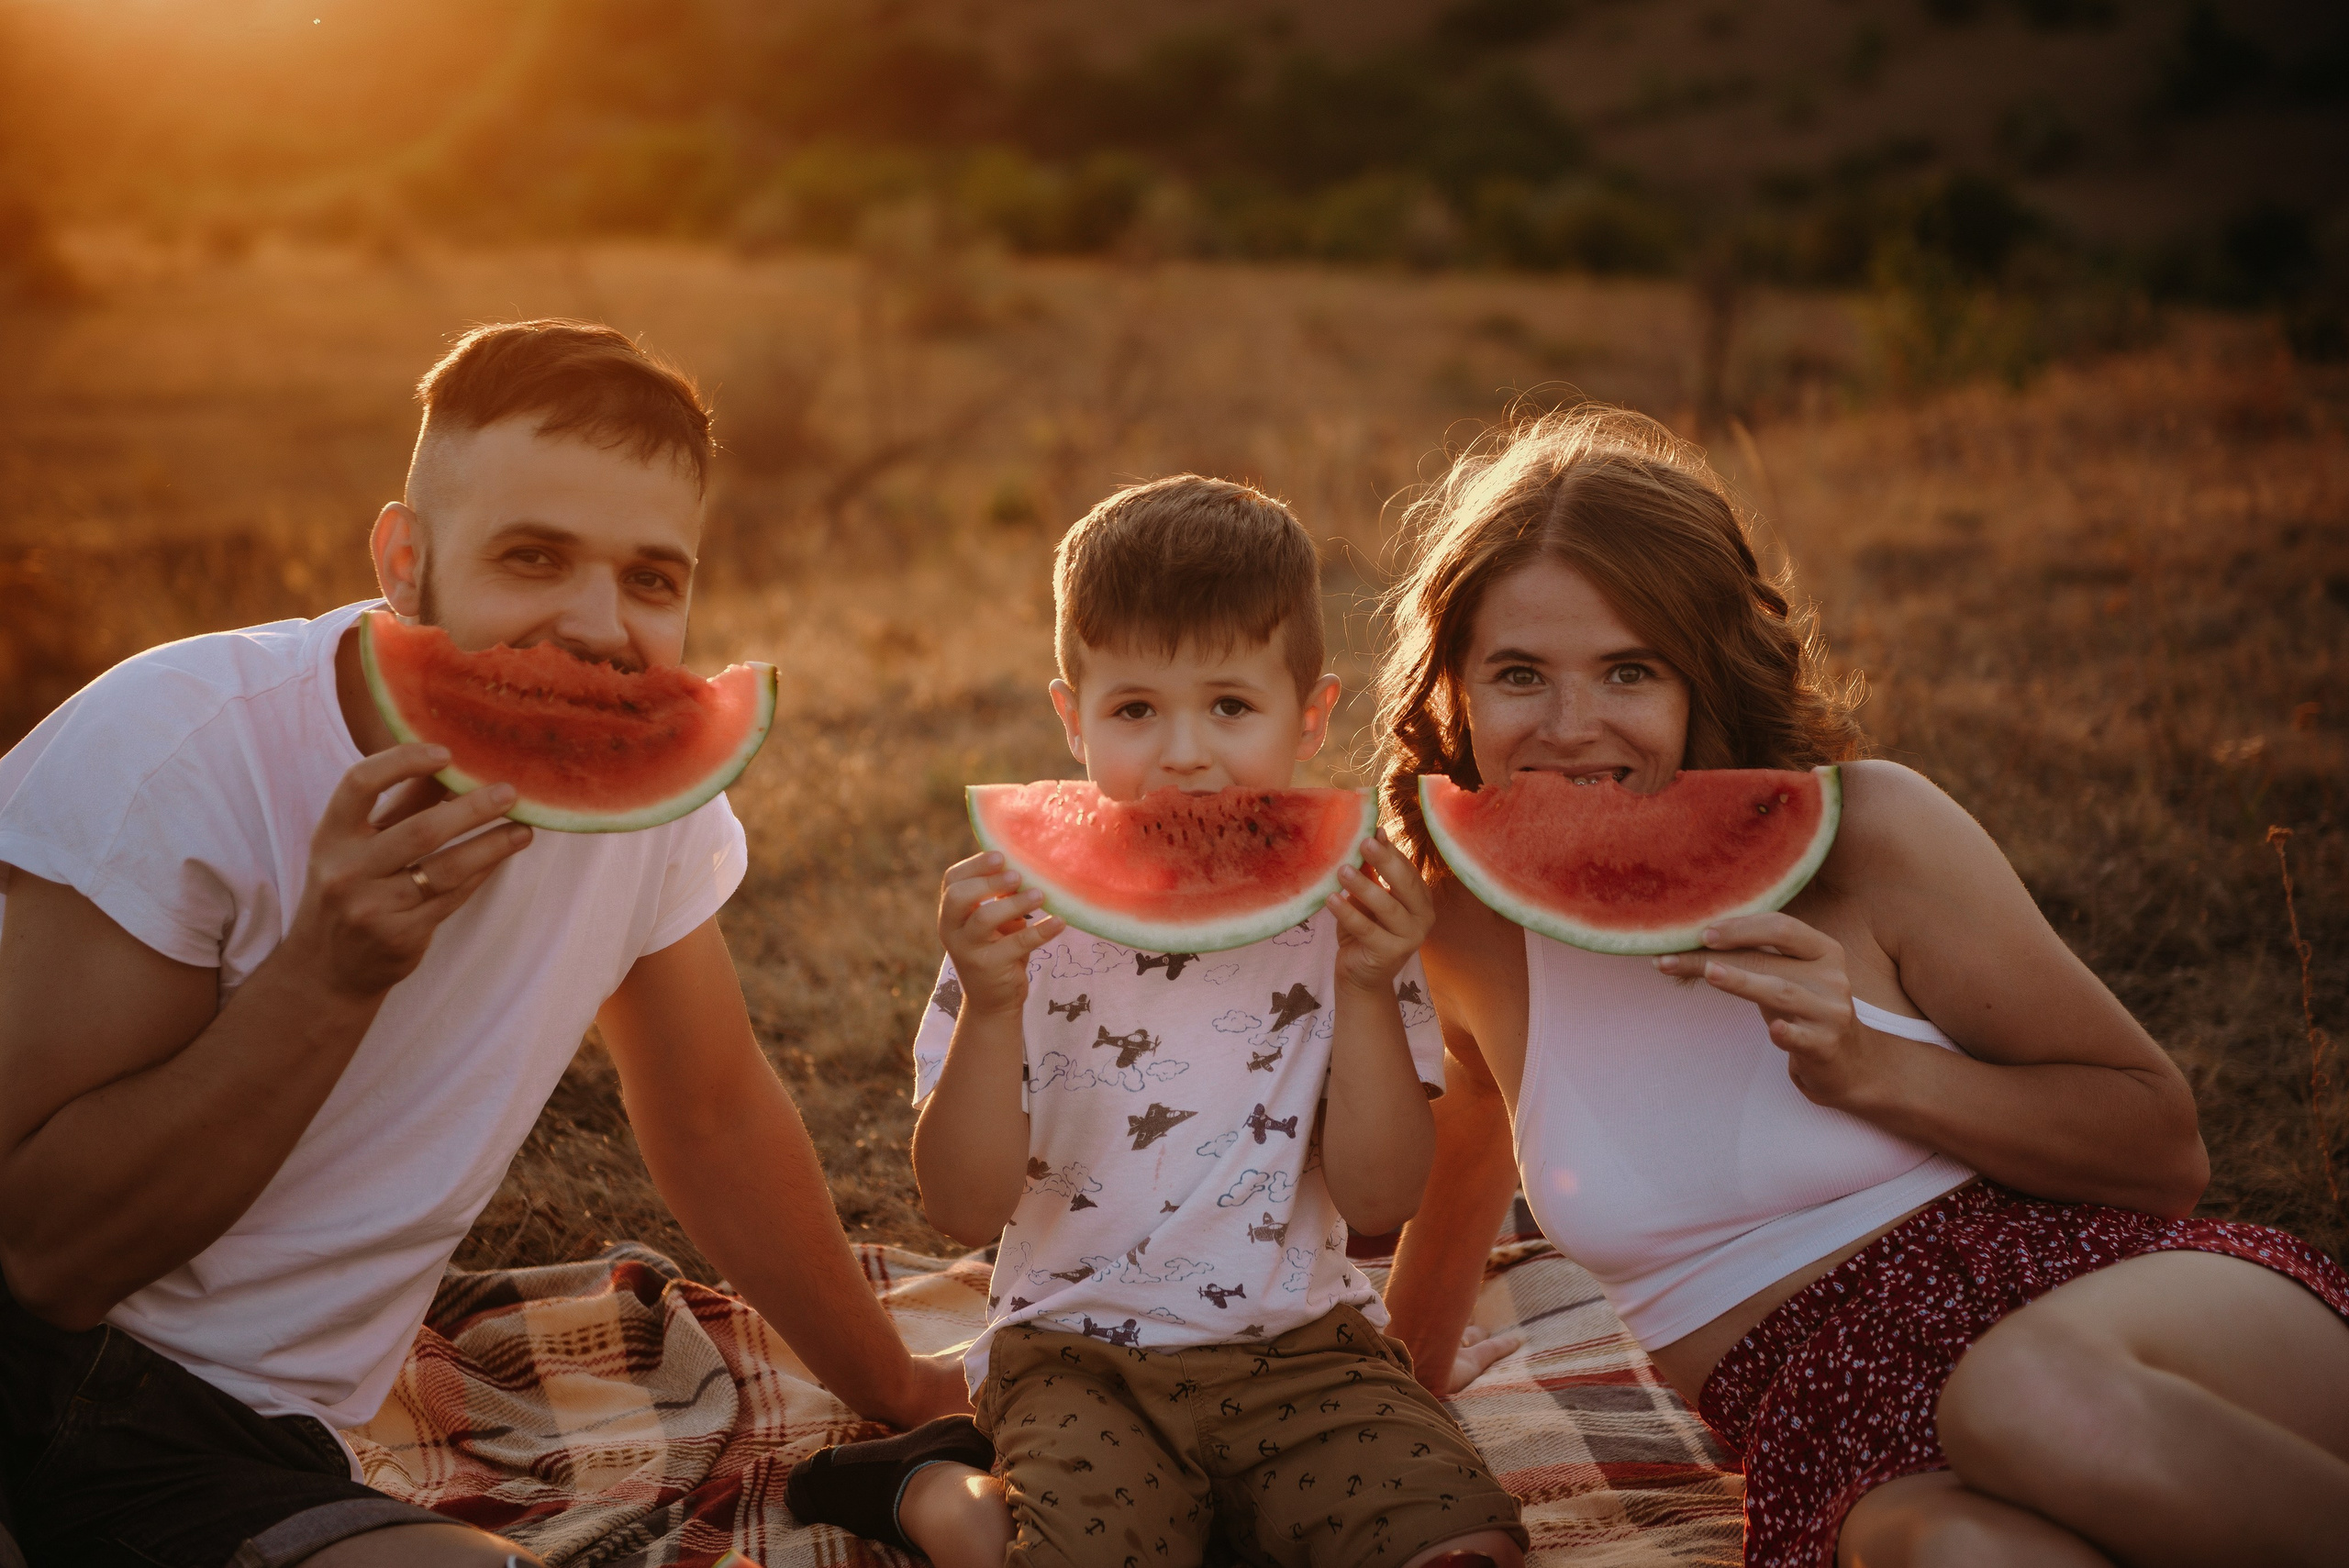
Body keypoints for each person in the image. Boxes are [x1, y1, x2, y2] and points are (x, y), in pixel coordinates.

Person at [0, 320, 967, 1568]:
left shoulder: (648, 806)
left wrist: (897, 1384)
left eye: (652, 579)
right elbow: (44, 1259)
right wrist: (328, 976)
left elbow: (714, 1110)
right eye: (534, 556)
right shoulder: (177, 754)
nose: (598, 626)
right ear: (406, 560)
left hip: (225, 1443)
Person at [1372, 406, 2349, 1568]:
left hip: (2103, 1313)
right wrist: (1386, 1426)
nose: (1572, 727)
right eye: (1519, 673)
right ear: (1458, 691)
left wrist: (1872, 1067)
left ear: (1706, 674)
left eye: (1630, 669)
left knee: (2021, 1397)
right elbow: (1471, 1153)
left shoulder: (1873, 830)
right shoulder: (1467, 922)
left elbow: (2162, 1147)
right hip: (1832, 1428)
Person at [785, 476, 1525, 1568]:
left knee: (1471, 1547)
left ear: (1311, 716)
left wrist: (1369, 988)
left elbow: (1380, 1197)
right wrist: (990, 1008)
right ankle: (936, 1488)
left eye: (1230, 705)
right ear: (1070, 717)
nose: (1184, 752)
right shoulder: (1020, 931)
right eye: (1136, 708)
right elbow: (959, 1204)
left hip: (1305, 1352)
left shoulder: (1351, 927)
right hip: (1077, 1359)